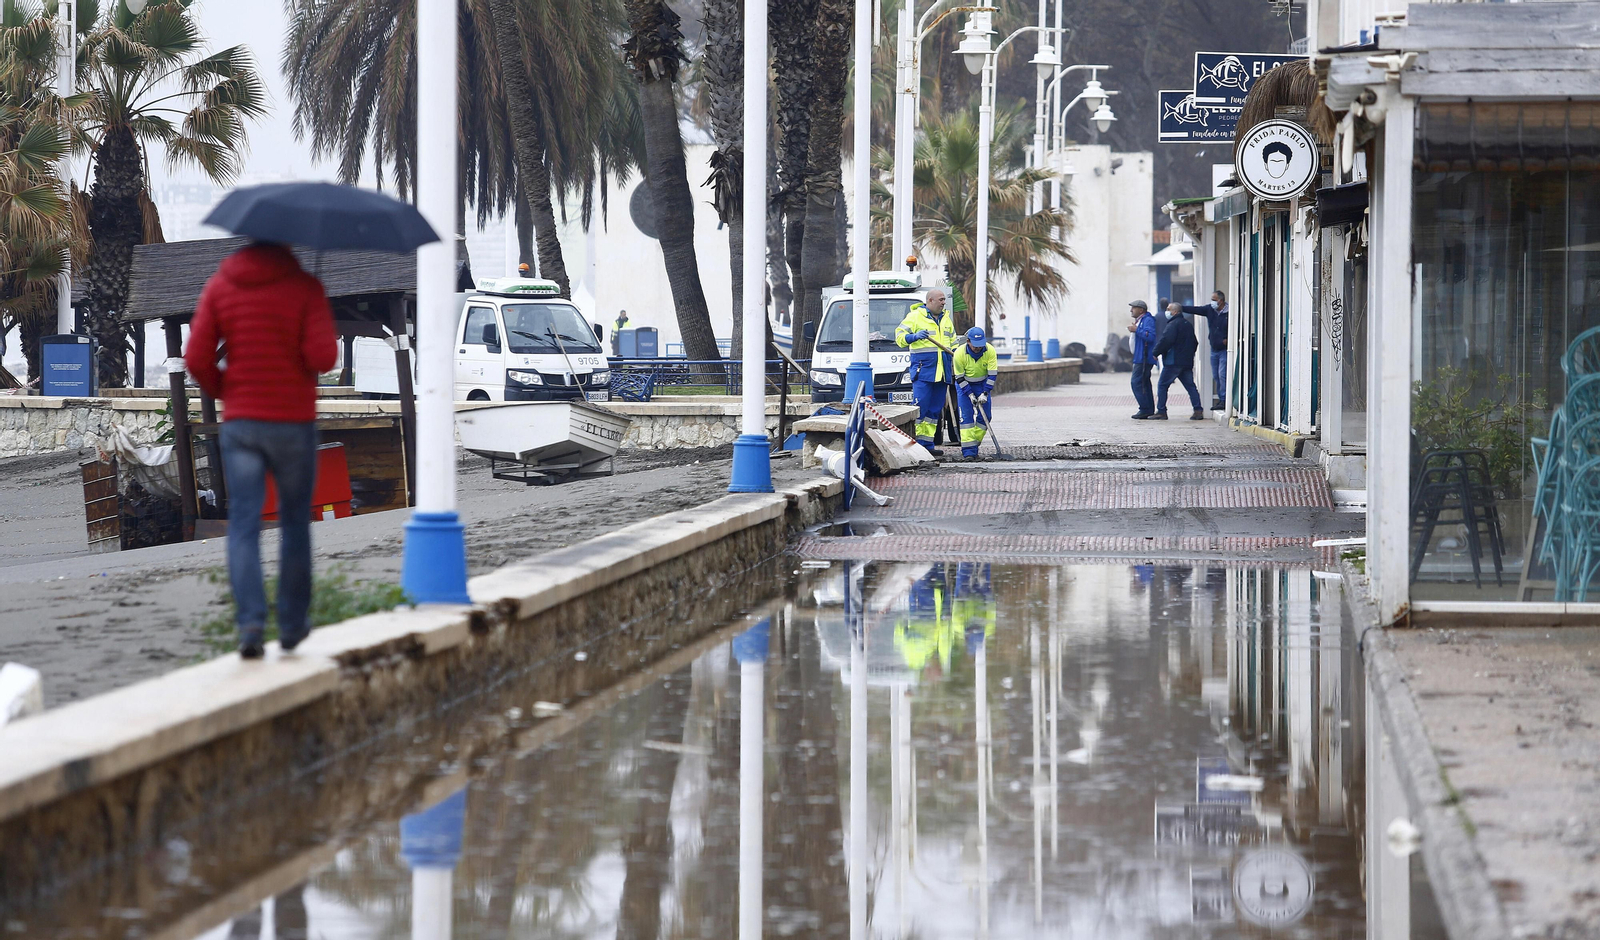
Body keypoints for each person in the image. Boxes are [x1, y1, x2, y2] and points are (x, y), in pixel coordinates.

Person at [185, 241, 337, 659]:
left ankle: (251, 623)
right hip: (293, 424)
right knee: (294, 523)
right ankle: (291, 625)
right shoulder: (305, 287)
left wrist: (228, 391)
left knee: (245, 525)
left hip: (243, 426)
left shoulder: (220, 287)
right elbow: (322, 356)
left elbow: (196, 358)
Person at [895, 287, 956, 452]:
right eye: (941, 300)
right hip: (924, 372)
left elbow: (953, 343)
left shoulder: (946, 320)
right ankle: (916, 446)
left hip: (942, 373)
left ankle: (928, 445)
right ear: (930, 301)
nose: (944, 303)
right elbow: (899, 338)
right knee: (920, 409)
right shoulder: (915, 317)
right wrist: (913, 336)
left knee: (934, 411)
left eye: (944, 299)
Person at [1151, 301, 1205, 420]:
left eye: (1169, 309)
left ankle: (1161, 411)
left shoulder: (1173, 325)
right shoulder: (1187, 324)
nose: (1167, 312)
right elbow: (1194, 342)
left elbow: (1166, 340)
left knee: (1162, 385)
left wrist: (1156, 352)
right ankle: (1198, 410)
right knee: (1190, 386)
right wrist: (1189, 354)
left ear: (1175, 312)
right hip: (1186, 362)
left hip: (1173, 362)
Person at [952, 327, 999, 457]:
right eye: (975, 345)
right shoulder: (959, 354)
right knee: (966, 418)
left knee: (986, 416)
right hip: (964, 386)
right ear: (968, 341)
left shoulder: (990, 351)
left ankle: (974, 442)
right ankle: (968, 452)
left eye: (980, 345)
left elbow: (992, 375)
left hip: (982, 384)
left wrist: (985, 393)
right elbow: (959, 378)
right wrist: (970, 394)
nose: (978, 348)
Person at [1182, 290, 1229, 411]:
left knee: (1222, 374)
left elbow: (1239, 327)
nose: (1212, 302)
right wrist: (1180, 307)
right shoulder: (1210, 310)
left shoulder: (1230, 312)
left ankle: (1224, 399)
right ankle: (1221, 399)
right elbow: (1196, 309)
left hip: (1225, 349)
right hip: (1214, 349)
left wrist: (1229, 340)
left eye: (1214, 299)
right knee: (1216, 376)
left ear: (1221, 300)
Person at [1127, 300, 1158, 419]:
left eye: (1133, 308)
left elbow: (1150, 336)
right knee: (1144, 383)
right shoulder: (1141, 320)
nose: (1131, 310)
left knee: (1136, 382)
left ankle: (1144, 408)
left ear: (1141, 310)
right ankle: (1148, 408)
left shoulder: (1148, 320)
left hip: (1144, 358)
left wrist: (1136, 330)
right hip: (1139, 356)